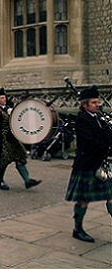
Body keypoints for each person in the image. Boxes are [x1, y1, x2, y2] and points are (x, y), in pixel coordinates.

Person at [65, 85, 112, 243]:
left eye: (98, 102)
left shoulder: (98, 117)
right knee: (83, 199)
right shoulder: (82, 120)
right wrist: (108, 146)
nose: (97, 104)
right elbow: (90, 142)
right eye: (94, 102)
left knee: (111, 195)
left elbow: (106, 136)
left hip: (100, 163)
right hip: (87, 164)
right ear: (85, 105)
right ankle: (77, 229)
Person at [0, 88, 42, 190]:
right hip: (2, 138)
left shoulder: (8, 108)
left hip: (13, 137)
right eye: (2, 98)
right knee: (3, 162)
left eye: (5, 97)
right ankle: (1, 182)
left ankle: (27, 181)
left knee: (20, 157)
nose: (4, 99)